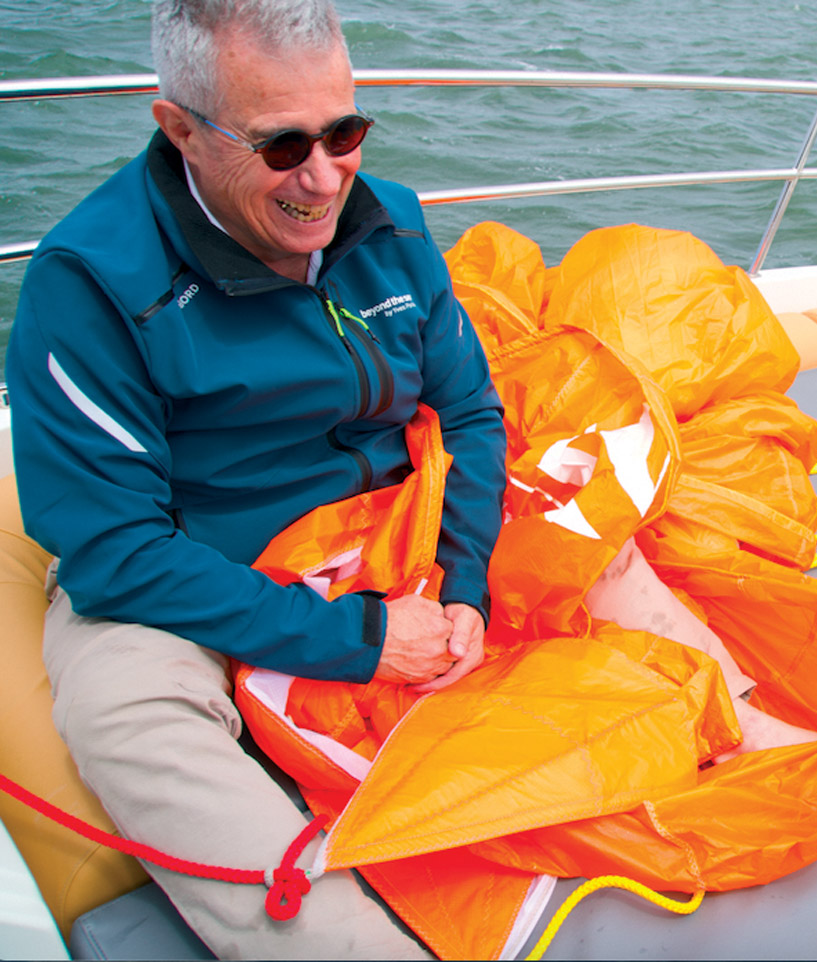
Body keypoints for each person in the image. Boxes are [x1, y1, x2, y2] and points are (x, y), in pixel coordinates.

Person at [7, 0, 504, 956]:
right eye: (283, 147)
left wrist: (465, 581)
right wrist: (358, 639)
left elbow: (471, 412)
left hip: (388, 527)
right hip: (198, 570)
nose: (325, 180)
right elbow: (114, 552)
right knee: (123, 713)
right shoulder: (91, 280)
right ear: (181, 129)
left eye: (346, 132)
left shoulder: (389, 225)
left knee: (599, 548)